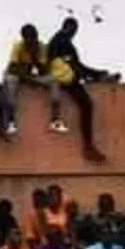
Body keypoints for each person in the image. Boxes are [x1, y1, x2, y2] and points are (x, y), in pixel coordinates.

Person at [47, 17, 109, 163]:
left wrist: (93, 74)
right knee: (86, 105)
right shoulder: (61, 41)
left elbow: (75, 65)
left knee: (87, 100)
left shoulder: (59, 40)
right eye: (73, 30)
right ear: (67, 27)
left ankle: (98, 76)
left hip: (65, 75)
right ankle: (88, 147)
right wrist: (94, 74)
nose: (73, 34)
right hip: (64, 78)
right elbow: (74, 65)